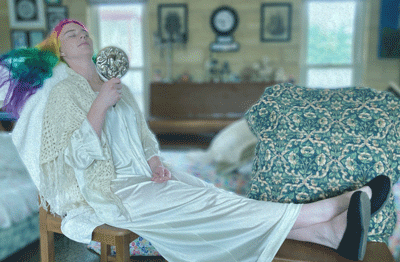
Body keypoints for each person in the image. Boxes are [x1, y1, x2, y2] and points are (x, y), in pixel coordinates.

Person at [0, 19, 391, 262]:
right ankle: (320, 213)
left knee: (208, 192)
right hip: (105, 190)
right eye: (71, 33)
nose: (81, 34)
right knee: (199, 201)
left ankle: (326, 234)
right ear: (59, 49)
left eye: (84, 31)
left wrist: (153, 160)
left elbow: (138, 136)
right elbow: (77, 157)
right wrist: (99, 105)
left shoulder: (113, 84)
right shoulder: (61, 94)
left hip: (139, 175)